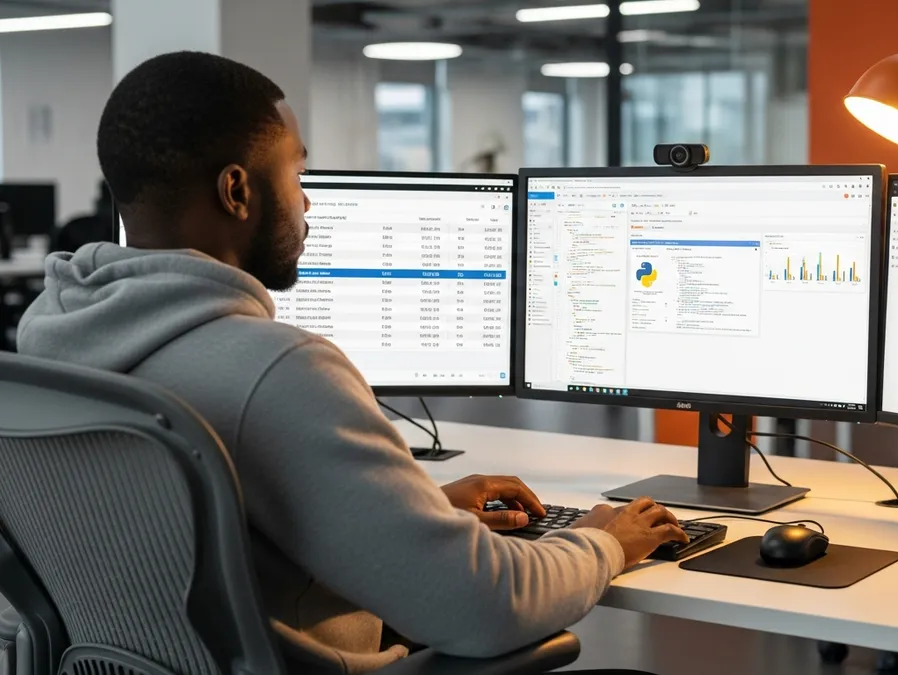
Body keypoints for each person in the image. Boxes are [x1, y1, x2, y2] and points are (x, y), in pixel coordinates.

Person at [16, 51, 685, 675]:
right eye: (296, 174)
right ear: (237, 191)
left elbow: (193, 549)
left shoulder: (50, 348)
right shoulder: (278, 370)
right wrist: (607, 541)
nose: (306, 201)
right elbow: (487, 607)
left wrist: (408, 510)